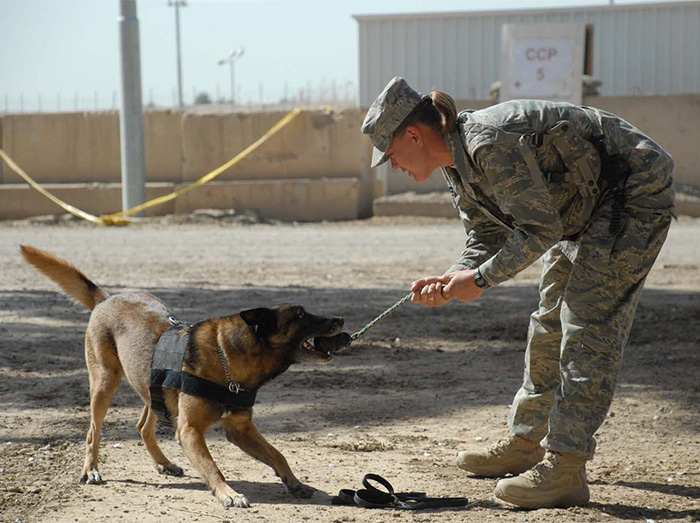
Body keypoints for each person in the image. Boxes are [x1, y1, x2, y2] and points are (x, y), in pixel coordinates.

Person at [361, 77, 675, 509]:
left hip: (630, 190)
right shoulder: (457, 161)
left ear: (414, 135)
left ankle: (566, 465)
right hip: (581, 205)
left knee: (587, 322)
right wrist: (453, 279)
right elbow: (485, 234)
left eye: (391, 154)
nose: (392, 166)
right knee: (548, 319)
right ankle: (527, 442)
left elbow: (538, 229)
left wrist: (482, 280)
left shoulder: (487, 143)